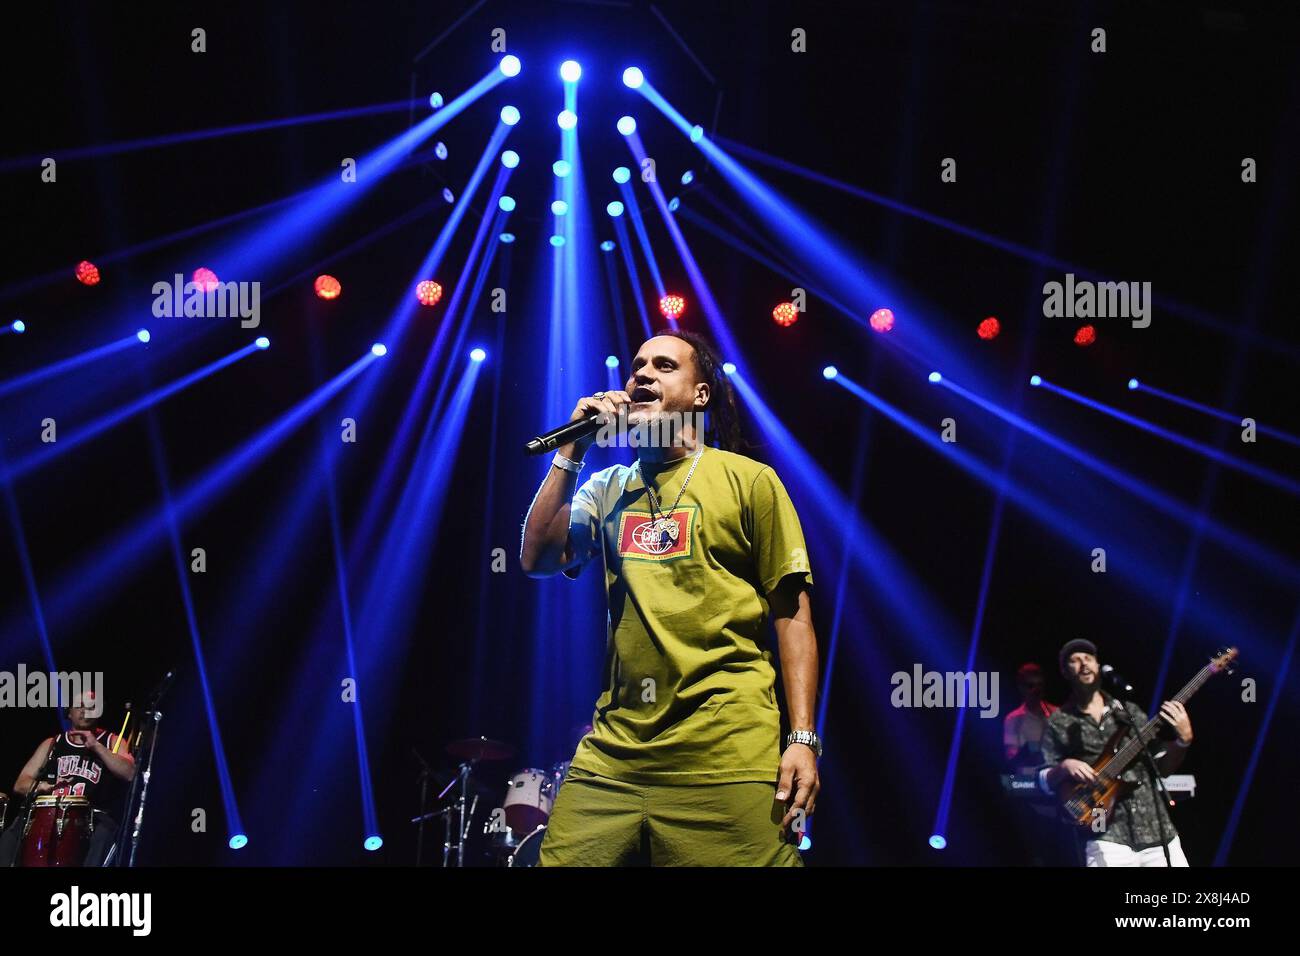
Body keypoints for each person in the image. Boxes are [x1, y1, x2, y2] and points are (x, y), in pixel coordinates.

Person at [520, 329, 820, 866]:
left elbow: (792, 617)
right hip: (614, 753)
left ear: (700, 396)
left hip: (725, 750)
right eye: (636, 366)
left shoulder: (749, 481)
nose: (641, 375)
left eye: (663, 366)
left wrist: (801, 738)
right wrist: (573, 448)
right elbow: (539, 559)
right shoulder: (607, 487)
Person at [1038, 639, 1192, 867]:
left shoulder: (1128, 712)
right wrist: (1064, 767)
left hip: (1157, 833)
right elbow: (1043, 778)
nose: (1084, 664)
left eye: (1089, 658)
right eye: (1075, 660)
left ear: (1098, 665)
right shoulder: (1059, 722)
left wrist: (1183, 741)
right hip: (1105, 837)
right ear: (1065, 672)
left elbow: (1162, 768)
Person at [1, 690, 134, 866]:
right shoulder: (52, 744)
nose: (85, 710)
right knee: (15, 831)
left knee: (107, 833)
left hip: (92, 817)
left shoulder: (113, 741)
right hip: (49, 813)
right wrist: (40, 786)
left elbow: (130, 773)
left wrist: (96, 746)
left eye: (92, 706)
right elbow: (20, 784)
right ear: (69, 712)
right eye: (80, 706)